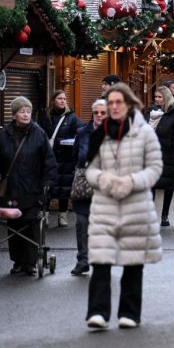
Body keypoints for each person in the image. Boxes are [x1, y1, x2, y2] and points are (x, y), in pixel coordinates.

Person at [85, 83, 163, 330]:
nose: (114, 107)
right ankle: (97, 312)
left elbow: (155, 168)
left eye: (119, 102)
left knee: (132, 261)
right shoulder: (101, 133)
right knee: (100, 260)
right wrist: (104, 180)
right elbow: (90, 169)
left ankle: (129, 313)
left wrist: (132, 182)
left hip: (136, 205)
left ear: (129, 104)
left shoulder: (144, 132)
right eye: (110, 103)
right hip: (105, 206)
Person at [0, 96, 57, 276]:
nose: (26, 114)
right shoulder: (3, 135)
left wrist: (48, 182)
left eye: (28, 111)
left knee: (31, 222)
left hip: (33, 188)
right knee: (14, 225)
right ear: (14, 114)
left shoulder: (39, 134)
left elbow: (50, 162)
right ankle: (18, 262)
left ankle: (31, 262)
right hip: (12, 189)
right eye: (22, 111)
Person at [71, 99, 107, 275]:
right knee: (82, 222)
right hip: (84, 185)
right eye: (96, 113)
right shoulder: (82, 132)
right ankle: (83, 260)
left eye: (103, 113)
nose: (99, 116)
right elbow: (75, 157)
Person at [39, 90, 84, 227]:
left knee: (65, 188)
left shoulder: (71, 117)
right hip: (49, 157)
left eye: (65, 98)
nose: (63, 101)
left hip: (66, 158)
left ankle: (62, 216)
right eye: (60, 98)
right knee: (48, 186)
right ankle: (44, 215)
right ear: (53, 100)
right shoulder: (45, 116)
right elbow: (39, 134)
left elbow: (83, 129)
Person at [148, 86, 174, 227]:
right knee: (151, 185)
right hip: (151, 153)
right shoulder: (150, 112)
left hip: (168, 153)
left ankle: (165, 215)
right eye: (155, 97)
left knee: (168, 186)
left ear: (166, 97)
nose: (157, 100)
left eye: (160, 97)